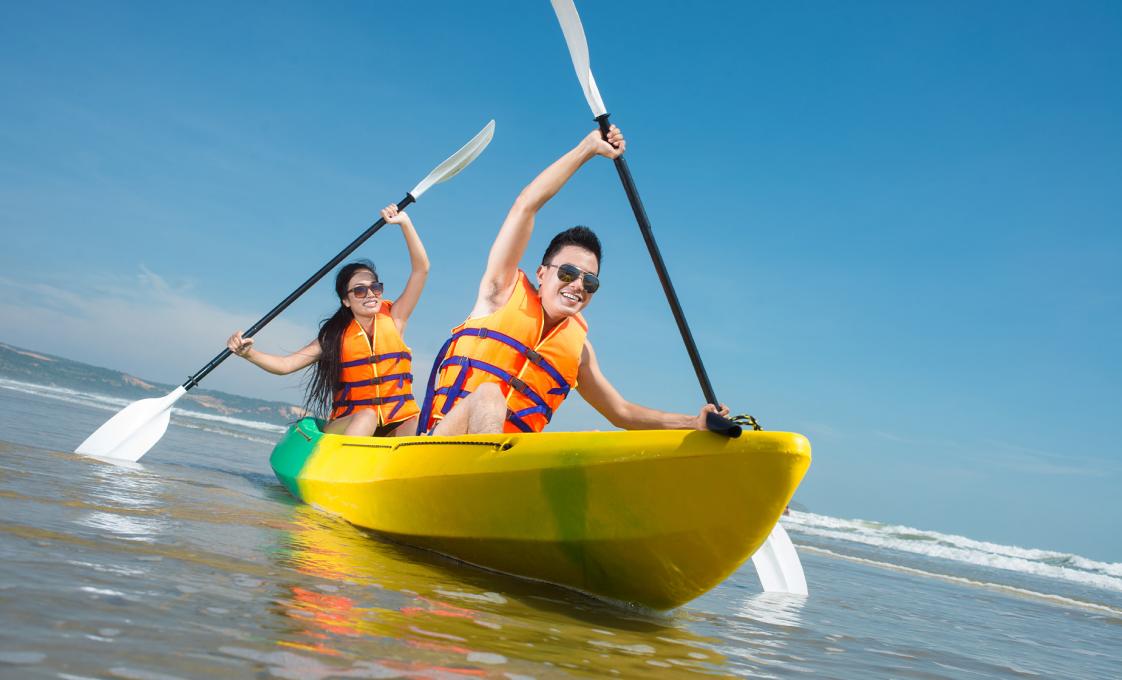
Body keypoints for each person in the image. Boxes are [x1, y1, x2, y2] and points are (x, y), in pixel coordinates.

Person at [417, 127, 727, 435]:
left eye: (589, 282)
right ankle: (489, 463)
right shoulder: (500, 292)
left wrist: (694, 422)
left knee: (591, 437)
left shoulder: (580, 353)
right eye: (567, 273)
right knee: (489, 395)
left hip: (513, 456)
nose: (578, 285)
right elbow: (526, 205)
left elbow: (622, 413)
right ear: (542, 273)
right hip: (442, 448)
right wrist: (587, 148)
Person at [228, 204, 428, 437]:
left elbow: (421, 270)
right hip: (350, 424)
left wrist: (405, 223)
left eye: (375, 287)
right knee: (367, 416)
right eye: (360, 290)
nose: (370, 294)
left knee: (418, 423)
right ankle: (348, 459)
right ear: (346, 300)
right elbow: (285, 365)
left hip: (395, 421)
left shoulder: (395, 318)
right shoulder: (334, 336)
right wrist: (248, 354)